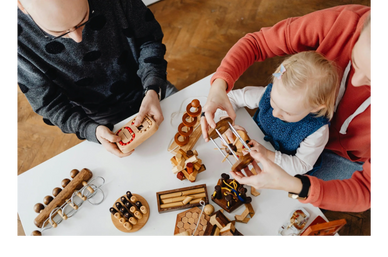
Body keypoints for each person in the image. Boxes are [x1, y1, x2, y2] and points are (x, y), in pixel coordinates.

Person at [202, 5, 374, 212]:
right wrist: (219, 88)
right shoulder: (345, 24)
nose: (355, 81)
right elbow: (257, 43)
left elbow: (365, 190)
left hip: (328, 157)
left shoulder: (317, 131)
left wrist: (291, 183)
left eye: (371, 80)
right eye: (355, 60)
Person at [15, 0, 178, 158]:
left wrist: (153, 87)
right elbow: (50, 104)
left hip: (153, 89)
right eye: (59, 33)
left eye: (84, 19)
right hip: (98, 121)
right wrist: (91, 130)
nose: (78, 37)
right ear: (20, 5)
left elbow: (149, 40)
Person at [218, 51, 338, 176]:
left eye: (287, 113)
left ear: (315, 107)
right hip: (252, 143)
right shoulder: (269, 93)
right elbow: (231, 98)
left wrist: (267, 154)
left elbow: (301, 165)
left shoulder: (317, 131)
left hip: (282, 167)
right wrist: (227, 121)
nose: (275, 114)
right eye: (273, 102)